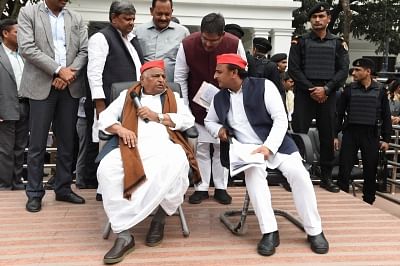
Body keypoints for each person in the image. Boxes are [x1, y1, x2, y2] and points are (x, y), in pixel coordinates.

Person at [205, 53, 329, 256]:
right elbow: (210, 121)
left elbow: (281, 120)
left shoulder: (264, 86)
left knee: (299, 174)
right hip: (246, 150)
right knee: (254, 176)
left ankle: (314, 230)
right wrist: (219, 131)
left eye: (219, 72)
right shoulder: (219, 97)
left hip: (277, 145)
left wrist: (268, 147)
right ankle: (269, 231)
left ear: (234, 72)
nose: (215, 76)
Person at [97, 60, 200, 264]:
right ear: (142, 80)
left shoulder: (174, 97)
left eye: (163, 76)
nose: (162, 80)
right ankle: (124, 235)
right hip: (130, 146)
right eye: (155, 76)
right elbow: (105, 117)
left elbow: (188, 121)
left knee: (176, 164)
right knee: (107, 170)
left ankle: (159, 220)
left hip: (165, 144)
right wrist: (120, 129)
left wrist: (158, 116)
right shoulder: (126, 96)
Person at [18, 0, 88, 212]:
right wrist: (58, 70)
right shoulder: (28, 13)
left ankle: (63, 188)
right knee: (38, 143)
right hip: (41, 86)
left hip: (69, 86)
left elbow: (84, 51)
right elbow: (27, 47)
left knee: (67, 140)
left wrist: (68, 74)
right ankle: (35, 193)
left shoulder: (75, 17)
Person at [174, 13, 247, 205]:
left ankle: (221, 187)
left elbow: (242, 75)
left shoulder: (234, 44)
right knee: (201, 149)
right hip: (196, 104)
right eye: (204, 39)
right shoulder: (187, 44)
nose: (207, 44)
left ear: (222, 35)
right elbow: (180, 78)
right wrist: (185, 108)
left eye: (212, 41)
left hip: (225, 102)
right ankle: (201, 187)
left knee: (221, 146)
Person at [288, 2, 349, 193]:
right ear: (310, 20)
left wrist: (327, 89)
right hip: (305, 94)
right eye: (314, 17)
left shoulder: (338, 43)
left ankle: (326, 178)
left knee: (327, 136)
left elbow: (343, 70)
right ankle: (294, 176)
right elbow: (294, 69)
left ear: (329, 19)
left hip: (328, 95)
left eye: (321, 17)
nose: (317, 20)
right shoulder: (300, 41)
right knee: (299, 134)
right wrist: (313, 90)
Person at [336, 58, 392, 205]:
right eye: (354, 70)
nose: (354, 72)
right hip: (351, 132)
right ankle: (342, 198)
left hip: (371, 134)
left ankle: (368, 201)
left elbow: (386, 116)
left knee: (370, 169)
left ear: (368, 72)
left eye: (358, 70)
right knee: (345, 167)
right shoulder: (349, 89)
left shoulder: (380, 90)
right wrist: (334, 135)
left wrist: (386, 139)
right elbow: (339, 114)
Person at [0, 19, 28, 191]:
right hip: (5, 108)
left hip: (25, 106)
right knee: (5, 150)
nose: (21, 35)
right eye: (17, 32)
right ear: (5, 33)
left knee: (20, 148)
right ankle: (4, 185)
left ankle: (17, 183)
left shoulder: (24, 55)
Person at [134, 0, 189, 82]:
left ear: (172, 12)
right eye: (159, 14)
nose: (163, 18)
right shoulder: (137, 32)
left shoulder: (183, 33)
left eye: (167, 14)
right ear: (151, 11)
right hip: (144, 87)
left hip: (171, 87)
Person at [249, 37, 284, 101]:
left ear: (255, 49)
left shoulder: (247, 62)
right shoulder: (271, 65)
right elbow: (277, 88)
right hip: (265, 101)